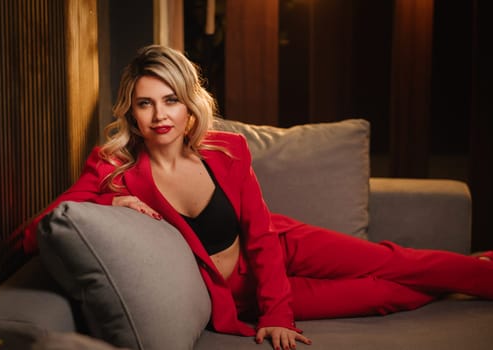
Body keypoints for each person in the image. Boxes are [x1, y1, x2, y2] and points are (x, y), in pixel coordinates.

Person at [24, 45, 493, 350]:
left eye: (171, 100)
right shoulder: (111, 169)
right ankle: (460, 279)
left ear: (189, 106)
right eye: (146, 103)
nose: (160, 115)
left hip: (281, 243)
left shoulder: (228, 149)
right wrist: (111, 204)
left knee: (393, 261)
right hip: (238, 292)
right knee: (381, 297)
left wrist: (279, 313)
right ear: (131, 111)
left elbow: (260, 233)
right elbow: (36, 232)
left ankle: (481, 274)